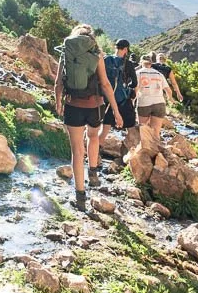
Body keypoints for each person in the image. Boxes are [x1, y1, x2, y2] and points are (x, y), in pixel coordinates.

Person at [54, 24, 122, 210]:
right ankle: (93, 173)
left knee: (77, 150)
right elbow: (106, 84)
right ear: (91, 38)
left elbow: (58, 82)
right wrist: (116, 111)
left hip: (73, 106)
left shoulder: (66, 52)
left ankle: (80, 197)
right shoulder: (96, 53)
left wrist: (58, 102)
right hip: (95, 106)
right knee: (93, 136)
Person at [97, 39, 138, 183]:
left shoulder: (106, 60)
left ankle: (95, 156)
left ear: (116, 48)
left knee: (104, 130)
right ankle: (133, 159)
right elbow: (134, 83)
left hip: (108, 100)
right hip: (123, 100)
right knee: (131, 129)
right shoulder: (128, 64)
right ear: (125, 49)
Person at [135, 52, 171, 139]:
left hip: (144, 103)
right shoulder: (159, 74)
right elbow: (168, 90)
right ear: (151, 63)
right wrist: (170, 99)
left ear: (141, 63)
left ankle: (144, 146)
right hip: (159, 103)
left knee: (143, 130)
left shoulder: (138, 73)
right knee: (156, 132)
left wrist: (132, 101)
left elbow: (135, 90)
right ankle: (156, 146)